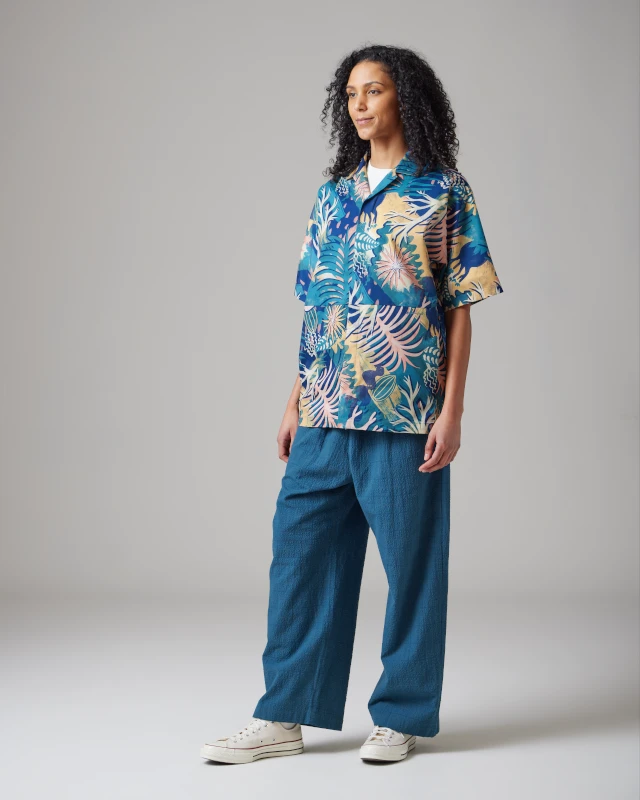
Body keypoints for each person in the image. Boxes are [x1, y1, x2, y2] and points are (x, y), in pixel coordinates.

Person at [201, 43, 503, 765]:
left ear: (406, 98)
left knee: (412, 568)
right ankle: (284, 714)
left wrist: (452, 410)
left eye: (374, 90)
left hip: (404, 414)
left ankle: (401, 715)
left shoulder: (443, 191)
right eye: (351, 94)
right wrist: (294, 400)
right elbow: (320, 306)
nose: (360, 105)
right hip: (324, 410)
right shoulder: (331, 197)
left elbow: (461, 306)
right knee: (299, 561)